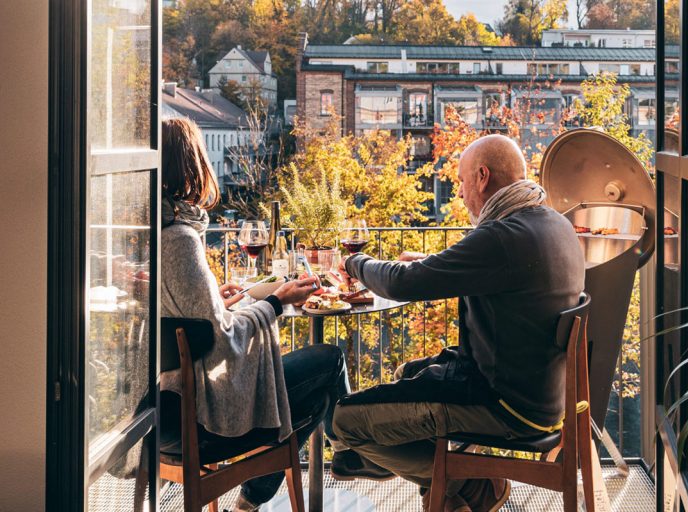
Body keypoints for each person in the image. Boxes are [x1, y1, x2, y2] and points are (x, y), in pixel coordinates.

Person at [332, 134, 586, 511]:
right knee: (408, 373)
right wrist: (432, 260)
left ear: (483, 177)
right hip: (542, 397)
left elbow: (402, 284)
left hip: (503, 405)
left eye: (462, 182)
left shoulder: (501, 237)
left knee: (343, 421)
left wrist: (354, 263)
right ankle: (441, 491)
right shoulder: (551, 223)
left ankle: (470, 480)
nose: (461, 193)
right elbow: (491, 270)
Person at [159, 118, 359, 511]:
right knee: (329, 361)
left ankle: (254, 500)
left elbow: (188, 317)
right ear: (192, 165)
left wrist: (216, 299)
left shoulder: (155, 230)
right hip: (196, 415)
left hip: (161, 410)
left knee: (313, 398)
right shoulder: (180, 239)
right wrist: (277, 301)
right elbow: (222, 339)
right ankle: (353, 453)